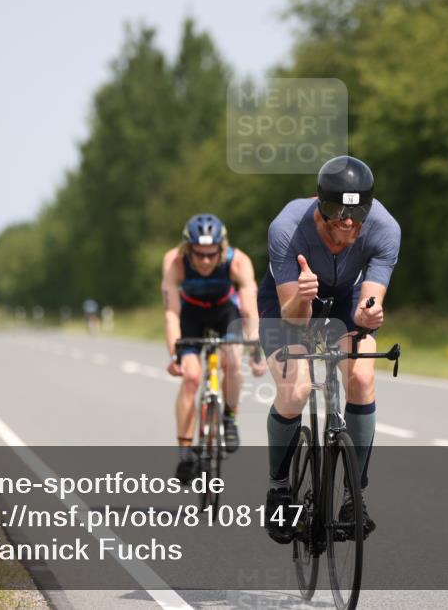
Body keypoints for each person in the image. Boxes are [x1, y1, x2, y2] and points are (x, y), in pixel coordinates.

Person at [257, 155, 400, 544]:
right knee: (296, 388)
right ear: (320, 206)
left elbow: (368, 301)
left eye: (356, 213)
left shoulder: (385, 229)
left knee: (362, 374)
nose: (347, 223)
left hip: (343, 296)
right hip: (289, 302)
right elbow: (294, 319)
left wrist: (369, 315)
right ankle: (279, 488)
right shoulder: (287, 228)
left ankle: (355, 496)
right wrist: (303, 296)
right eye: (338, 213)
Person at [162, 214, 266, 482]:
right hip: (191, 315)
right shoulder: (174, 261)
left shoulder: (238, 261)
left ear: (222, 249)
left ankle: (230, 418)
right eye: (199, 255)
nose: (206, 261)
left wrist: (255, 347)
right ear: (188, 250)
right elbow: (171, 313)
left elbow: (249, 309)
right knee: (192, 376)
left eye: (212, 254)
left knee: (232, 359)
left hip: (225, 312)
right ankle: (185, 452)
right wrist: (175, 354)